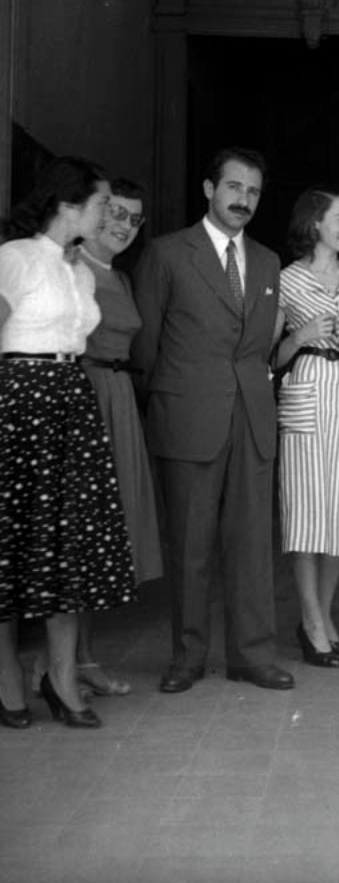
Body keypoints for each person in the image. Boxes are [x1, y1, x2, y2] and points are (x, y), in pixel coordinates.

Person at [132, 146, 294, 693]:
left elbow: (261, 347)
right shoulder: (166, 254)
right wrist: (176, 399)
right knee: (190, 546)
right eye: (233, 188)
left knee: (252, 545)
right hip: (187, 415)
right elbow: (147, 347)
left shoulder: (269, 262)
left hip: (252, 417)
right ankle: (187, 657)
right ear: (209, 189)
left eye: (252, 191)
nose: (242, 200)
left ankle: (252, 655)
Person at [0, 156, 134, 729]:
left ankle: (60, 677)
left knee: (67, 545)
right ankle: (6, 677)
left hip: (69, 401)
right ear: (69, 204)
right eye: (102, 203)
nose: (109, 214)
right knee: (14, 542)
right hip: (19, 401)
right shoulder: (15, 258)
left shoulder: (81, 269)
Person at [275, 189, 339, 667]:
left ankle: (324, 615)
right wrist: (299, 336)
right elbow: (267, 357)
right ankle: (311, 620)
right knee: (306, 515)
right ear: (315, 223)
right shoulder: (285, 280)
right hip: (307, 388)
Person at [73, 178, 162, 697]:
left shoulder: (122, 279)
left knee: (105, 533)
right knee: (81, 532)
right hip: (85, 395)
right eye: (117, 214)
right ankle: (69, 662)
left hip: (119, 399)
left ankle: (82, 659)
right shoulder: (70, 264)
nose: (124, 226)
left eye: (134, 219)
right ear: (97, 212)